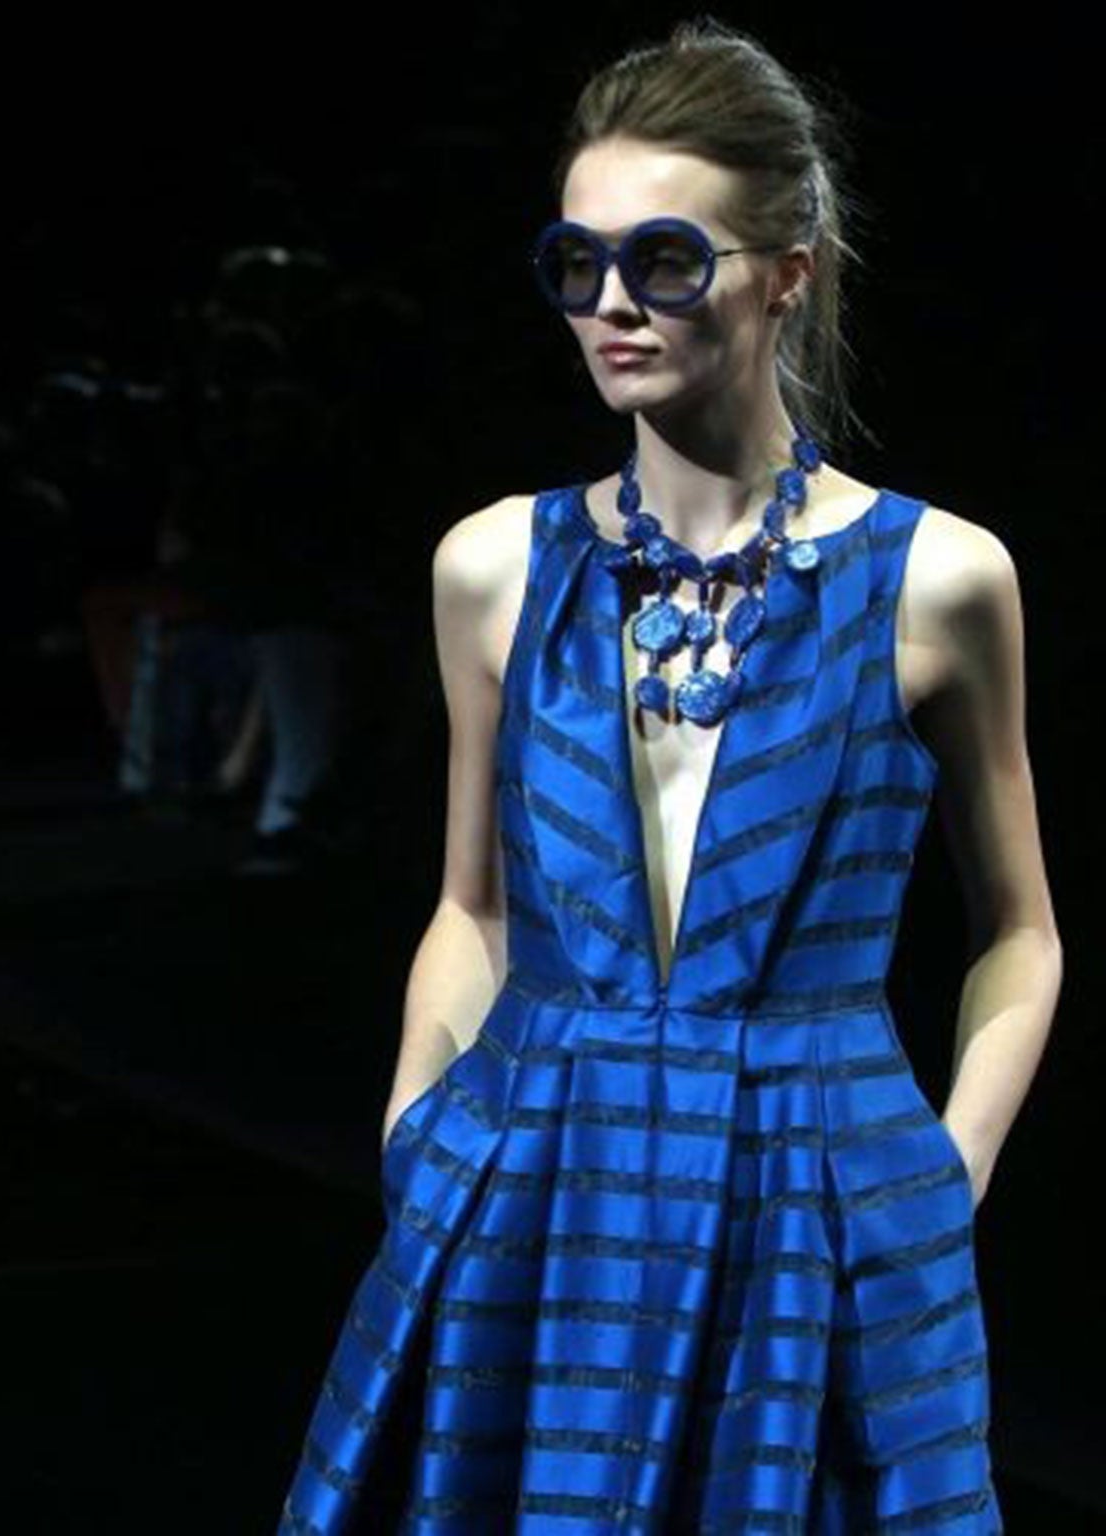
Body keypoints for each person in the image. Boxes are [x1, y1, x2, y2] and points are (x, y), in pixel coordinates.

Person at [275, 20, 1059, 1532]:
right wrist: (416, 1133)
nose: (614, 304)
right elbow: (471, 907)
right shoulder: (495, 567)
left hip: (814, 1204)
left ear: (789, 269)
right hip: (536, 1194)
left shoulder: (941, 580)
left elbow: (1020, 928)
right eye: (578, 265)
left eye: (665, 260)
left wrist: (938, 1182)